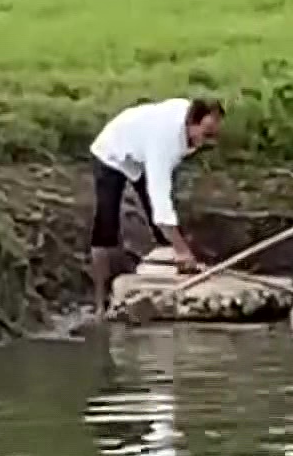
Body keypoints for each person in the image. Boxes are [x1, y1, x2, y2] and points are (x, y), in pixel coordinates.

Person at [88, 96, 225, 312]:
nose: (209, 142)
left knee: (164, 231)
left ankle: (173, 283)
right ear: (191, 123)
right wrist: (182, 251)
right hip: (113, 152)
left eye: (214, 135)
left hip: (142, 153)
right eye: (206, 134)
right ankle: (100, 302)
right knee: (106, 225)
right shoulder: (165, 141)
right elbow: (161, 200)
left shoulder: (186, 122)